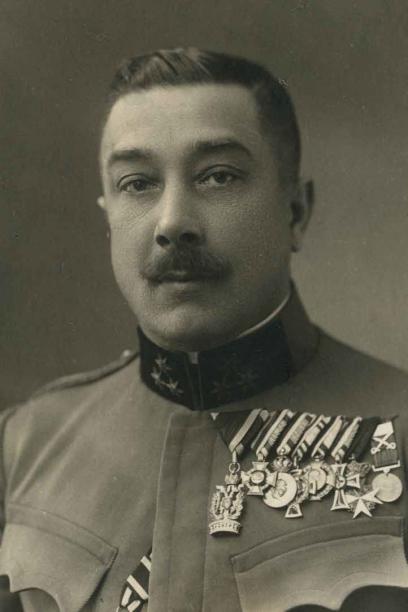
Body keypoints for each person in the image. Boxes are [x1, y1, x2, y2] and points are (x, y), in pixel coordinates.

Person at [1, 47, 408, 612]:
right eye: (137, 183)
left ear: (295, 211)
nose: (173, 223)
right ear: (108, 216)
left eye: (218, 176)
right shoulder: (26, 444)